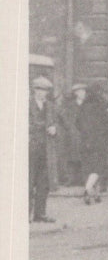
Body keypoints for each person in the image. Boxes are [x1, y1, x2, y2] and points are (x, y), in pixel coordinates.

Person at [71, 83, 108, 205]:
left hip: (85, 142)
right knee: (98, 168)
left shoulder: (83, 107)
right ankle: (88, 189)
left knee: (88, 168)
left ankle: (96, 193)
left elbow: (77, 123)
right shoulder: (100, 107)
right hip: (99, 142)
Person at [29, 76, 58, 223]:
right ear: (34, 90)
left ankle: (40, 214)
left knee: (43, 183)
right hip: (30, 148)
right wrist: (46, 127)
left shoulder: (50, 106)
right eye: (40, 89)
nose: (43, 93)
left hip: (46, 149)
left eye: (45, 90)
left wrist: (54, 128)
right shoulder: (27, 104)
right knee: (28, 181)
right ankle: (25, 214)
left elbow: (55, 122)